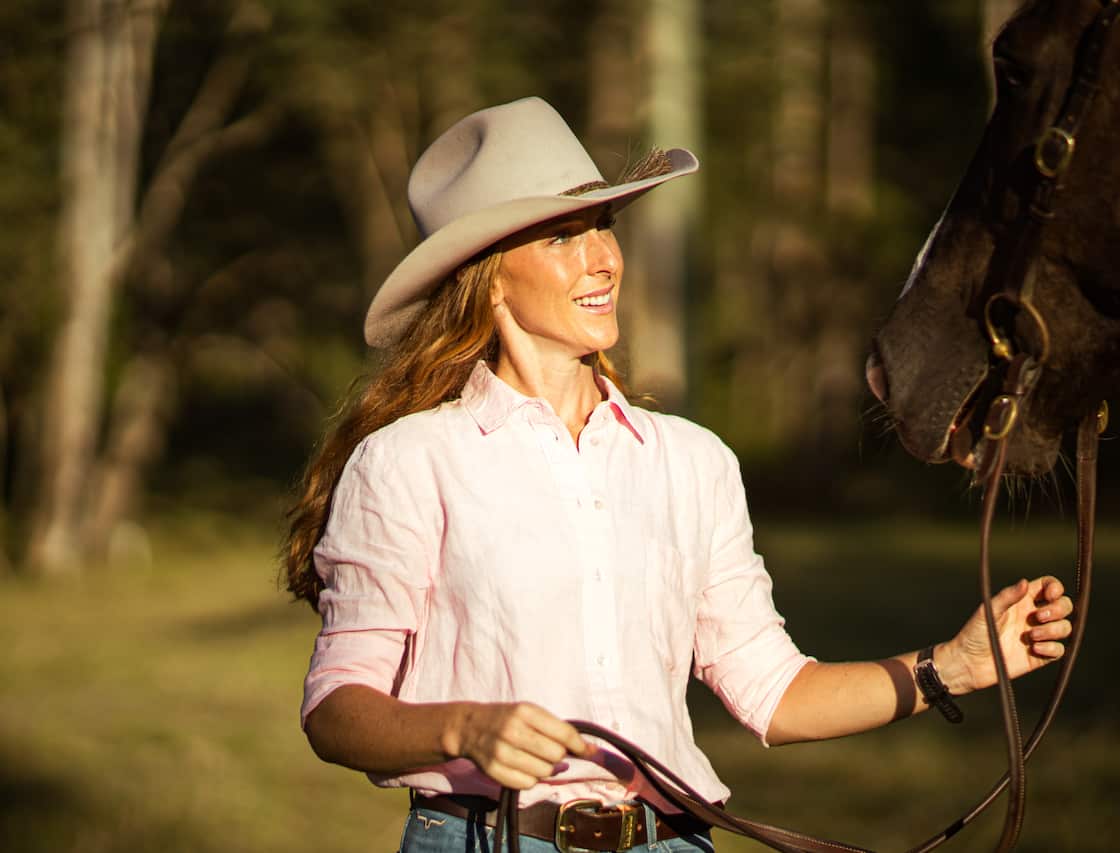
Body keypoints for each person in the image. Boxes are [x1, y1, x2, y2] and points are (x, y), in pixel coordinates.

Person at [282, 96, 1074, 853]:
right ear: (488, 275)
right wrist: (462, 727)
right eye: (561, 237)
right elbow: (337, 712)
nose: (602, 259)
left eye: (602, 225)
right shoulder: (409, 461)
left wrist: (955, 666)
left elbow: (774, 692)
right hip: (482, 840)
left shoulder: (693, 462)